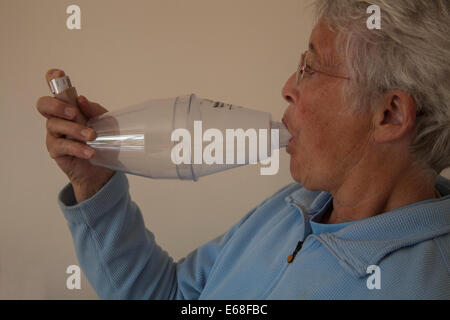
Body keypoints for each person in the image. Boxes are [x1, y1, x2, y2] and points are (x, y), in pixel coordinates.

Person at [36, 0, 450, 299]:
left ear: (390, 114)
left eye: (311, 67)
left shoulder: (424, 284)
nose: (288, 87)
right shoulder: (297, 204)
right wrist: (94, 182)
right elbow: (173, 297)